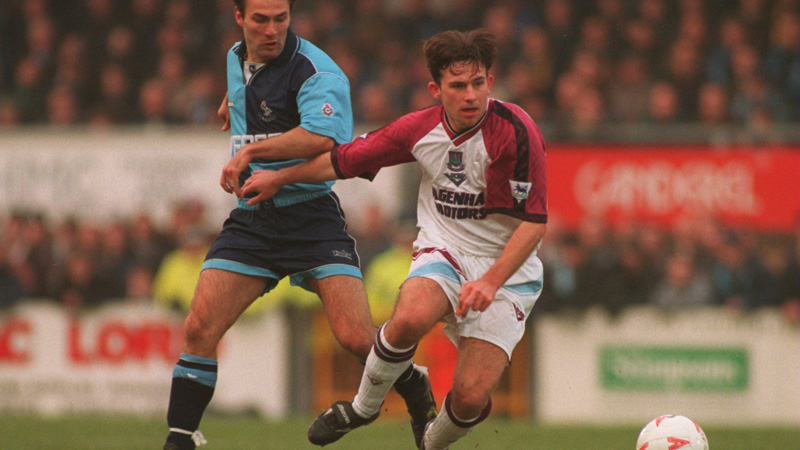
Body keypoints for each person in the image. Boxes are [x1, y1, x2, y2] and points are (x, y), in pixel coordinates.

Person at [241, 29, 548, 450]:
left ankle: (429, 444)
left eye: (478, 83)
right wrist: (279, 178)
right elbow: (342, 160)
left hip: (508, 270)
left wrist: (491, 281)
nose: (471, 95)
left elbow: (534, 224)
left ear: (490, 84)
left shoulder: (517, 130)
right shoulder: (418, 129)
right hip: (448, 248)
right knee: (407, 320)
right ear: (436, 89)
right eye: (457, 86)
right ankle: (364, 408)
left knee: (470, 397)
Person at [162, 1, 435, 449]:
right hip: (254, 219)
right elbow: (254, 87)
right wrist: (235, 103)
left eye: (281, 19)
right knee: (199, 327)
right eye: (260, 19)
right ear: (239, 18)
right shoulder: (236, 58)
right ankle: (181, 438)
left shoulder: (316, 71)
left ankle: (412, 382)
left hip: (311, 218)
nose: (272, 30)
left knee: (356, 339)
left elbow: (324, 137)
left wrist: (249, 153)